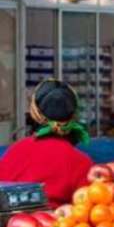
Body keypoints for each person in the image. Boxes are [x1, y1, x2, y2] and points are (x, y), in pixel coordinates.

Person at [0, 80, 93, 208]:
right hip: (58, 226)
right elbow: (86, 214)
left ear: (34, 113)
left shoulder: (13, 153)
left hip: (11, 226)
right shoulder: (81, 163)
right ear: (73, 117)